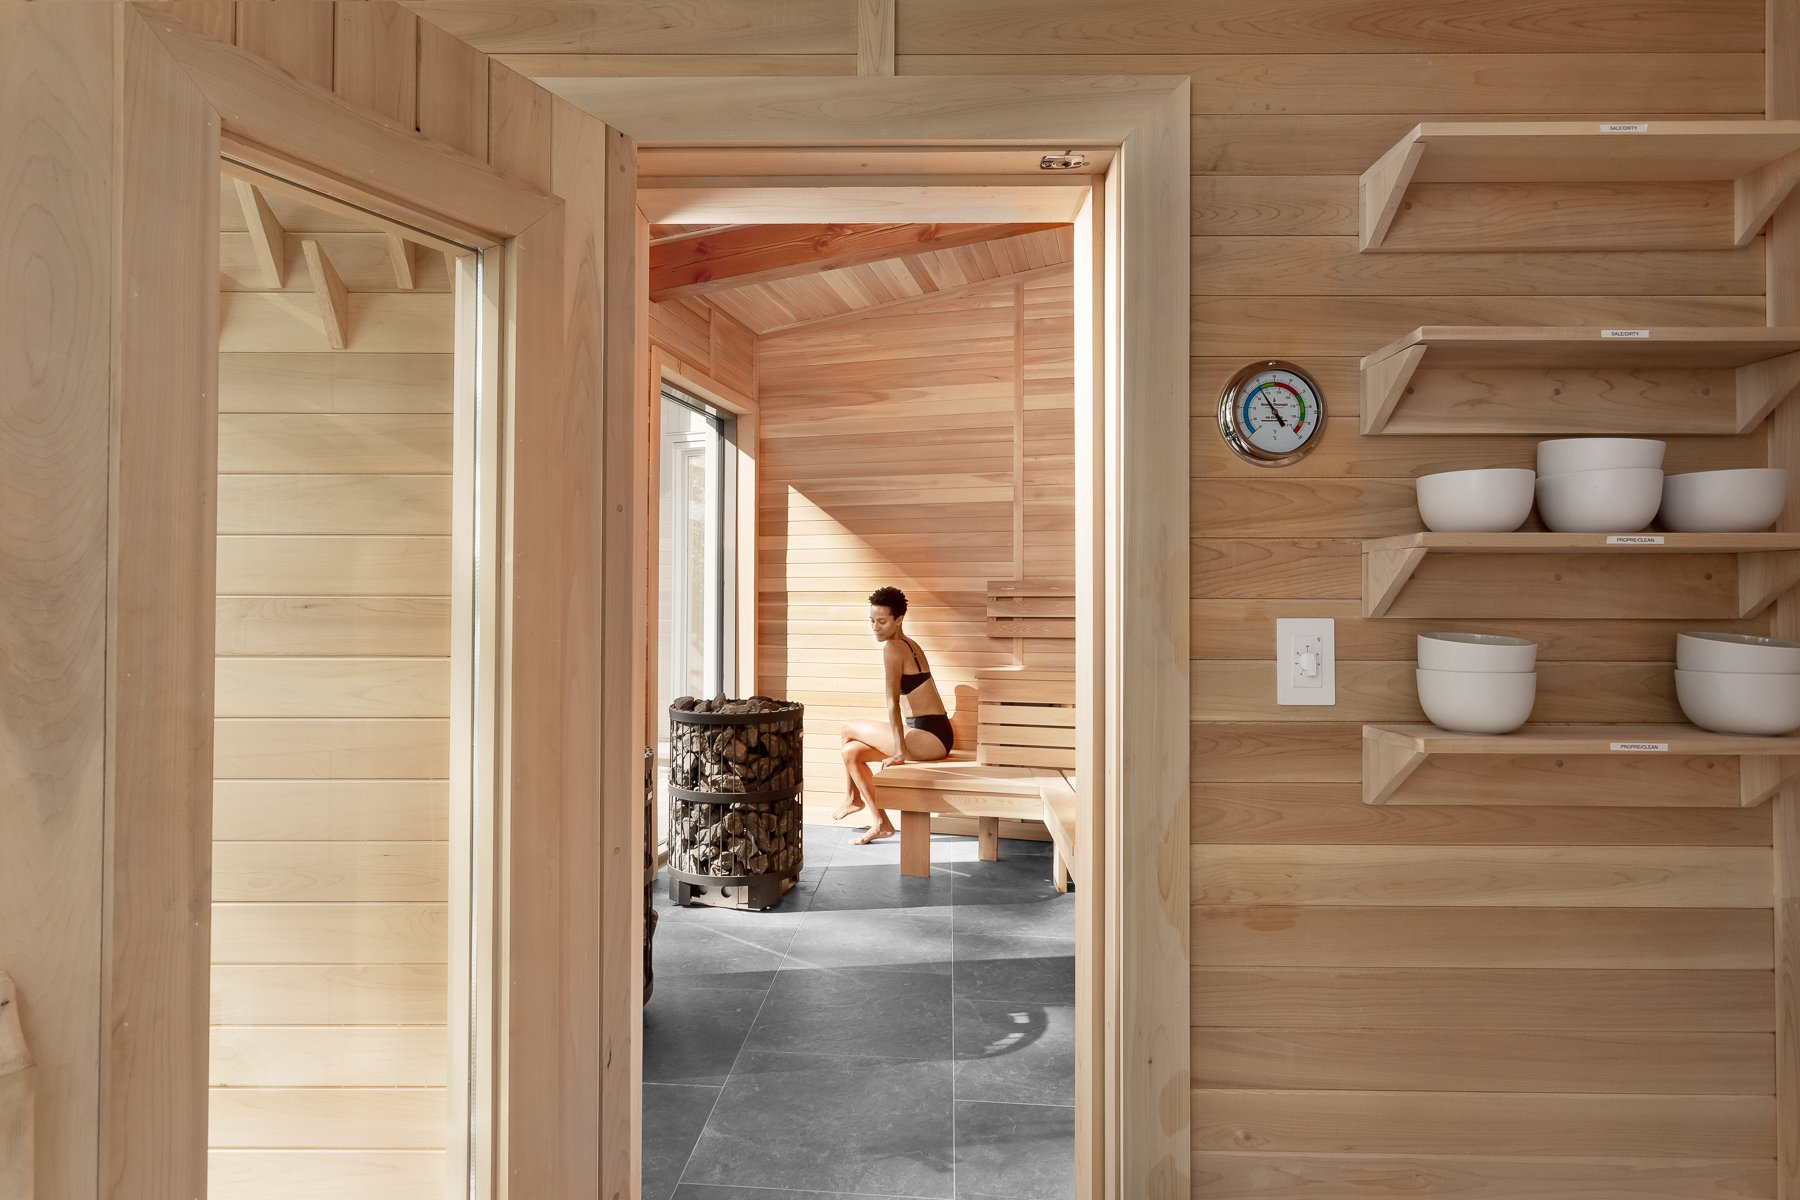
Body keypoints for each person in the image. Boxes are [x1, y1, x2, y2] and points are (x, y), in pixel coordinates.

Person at [837, 585, 955, 844]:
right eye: (872, 621)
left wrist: (900, 752)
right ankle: (881, 823)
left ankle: (852, 798)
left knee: (847, 729)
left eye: (882, 621)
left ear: (898, 620)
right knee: (851, 753)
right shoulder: (910, 644)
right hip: (939, 733)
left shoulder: (893, 649)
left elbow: (891, 702)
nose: (875, 627)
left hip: (928, 738)